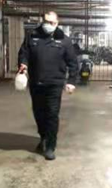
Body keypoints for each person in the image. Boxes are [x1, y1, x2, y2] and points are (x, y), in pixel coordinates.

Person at [18, 11, 78, 161]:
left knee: (51, 114)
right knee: (39, 114)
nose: (48, 25)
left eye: (51, 22)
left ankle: (50, 146)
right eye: (46, 21)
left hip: (54, 84)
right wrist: (23, 65)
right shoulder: (32, 36)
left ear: (57, 23)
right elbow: (24, 53)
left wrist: (71, 81)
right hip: (36, 83)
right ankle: (44, 137)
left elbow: (72, 63)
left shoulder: (64, 40)